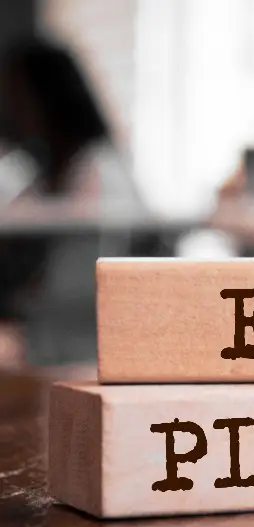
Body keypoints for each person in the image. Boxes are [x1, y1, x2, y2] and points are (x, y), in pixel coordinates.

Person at [0, 35, 152, 373]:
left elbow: (73, 290)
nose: (10, 111)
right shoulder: (43, 173)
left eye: (18, 98)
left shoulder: (100, 171)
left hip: (75, 340)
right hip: (45, 331)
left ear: (49, 100)